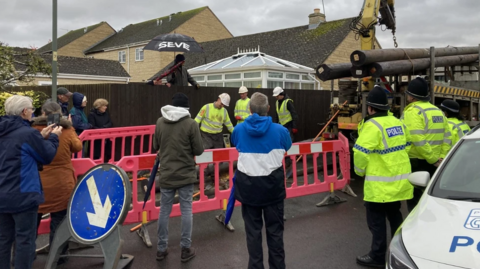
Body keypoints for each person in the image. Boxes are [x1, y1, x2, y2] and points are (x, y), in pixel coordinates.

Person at [353, 86, 413, 268]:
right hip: (398, 182)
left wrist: (359, 172)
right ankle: (399, 251)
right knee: (395, 216)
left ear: (370, 108)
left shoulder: (372, 126)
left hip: (378, 186)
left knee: (376, 222)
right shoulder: (397, 122)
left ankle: (377, 256)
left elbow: (360, 153)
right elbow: (408, 144)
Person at [0, 95, 62, 269]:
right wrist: (54, 137)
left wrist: (39, 137)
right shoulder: (28, 134)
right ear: (24, 111)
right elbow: (47, 155)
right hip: (24, 194)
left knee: (4, 240)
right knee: (24, 241)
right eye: (31, 110)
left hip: (2, 194)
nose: (32, 113)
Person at [232, 92, 292, 269]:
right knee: (275, 233)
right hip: (272, 189)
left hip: (248, 189)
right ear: (268, 108)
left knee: (253, 233)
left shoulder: (238, 130)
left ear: (249, 109)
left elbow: (236, 144)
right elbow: (287, 145)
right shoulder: (281, 131)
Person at [153, 93, 204, 263]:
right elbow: (198, 150)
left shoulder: (160, 122)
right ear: (186, 108)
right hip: (185, 173)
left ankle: (161, 249)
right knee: (186, 210)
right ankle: (185, 248)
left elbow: (155, 146)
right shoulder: (191, 124)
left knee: (164, 210)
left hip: (167, 173)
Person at [32, 101, 82, 264]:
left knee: (31, 222)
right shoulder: (66, 129)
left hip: (37, 183)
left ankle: (26, 254)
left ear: (43, 113)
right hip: (62, 183)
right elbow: (77, 146)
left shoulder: (32, 129)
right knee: (59, 222)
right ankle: (58, 255)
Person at [401, 77, 451, 212]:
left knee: (416, 203)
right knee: (431, 199)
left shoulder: (413, 112)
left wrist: (433, 158)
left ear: (412, 96)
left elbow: (418, 139)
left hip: (418, 162)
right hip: (436, 163)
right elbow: (447, 137)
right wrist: (440, 158)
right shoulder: (438, 111)